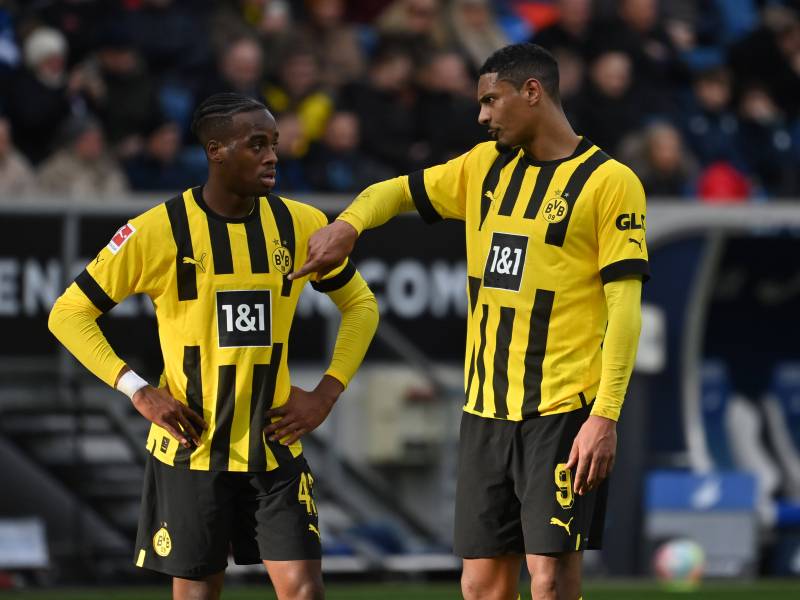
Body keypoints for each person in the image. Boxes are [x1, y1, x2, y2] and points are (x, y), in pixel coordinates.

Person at [291, 43, 648, 600]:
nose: (481, 116)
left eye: (491, 100)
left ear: (532, 92)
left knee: (551, 578)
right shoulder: (483, 167)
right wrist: (349, 226)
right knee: (480, 585)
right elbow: (396, 191)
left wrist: (605, 415)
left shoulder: (609, 182)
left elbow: (625, 309)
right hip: (484, 411)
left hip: (561, 410)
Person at [48, 93, 379, 600]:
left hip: (274, 445)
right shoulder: (157, 230)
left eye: (274, 143)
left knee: (305, 591)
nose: (272, 156)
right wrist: (138, 390)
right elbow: (68, 313)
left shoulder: (301, 224)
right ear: (216, 151)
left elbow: (361, 304)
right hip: (192, 449)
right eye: (257, 144)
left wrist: (326, 393)